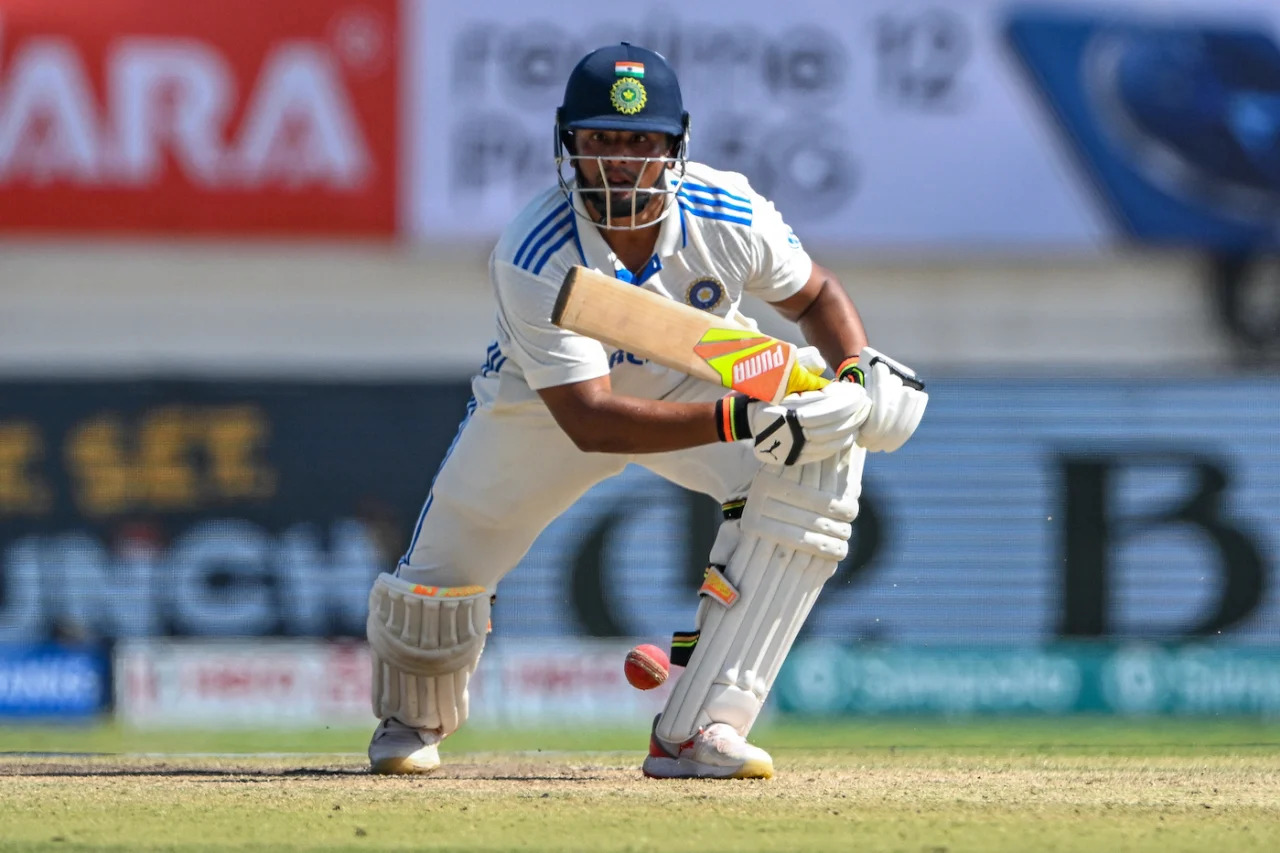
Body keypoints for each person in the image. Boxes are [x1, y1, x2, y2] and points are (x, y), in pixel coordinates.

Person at [364, 42, 928, 779]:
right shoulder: (534, 252)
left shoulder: (728, 210)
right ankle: (413, 718)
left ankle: (702, 728)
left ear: (675, 147)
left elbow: (816, 296)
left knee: (818, 457)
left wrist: (855, 372)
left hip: (694, 378)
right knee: (433, 596)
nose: (621, 160)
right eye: (601, 140)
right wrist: (743, 420)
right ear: (569, 146)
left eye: (641, 141)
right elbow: (593, 422)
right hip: (543, 408)